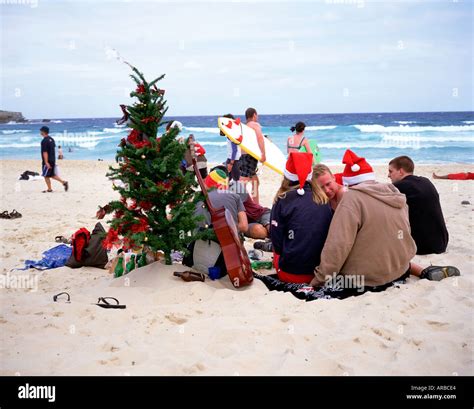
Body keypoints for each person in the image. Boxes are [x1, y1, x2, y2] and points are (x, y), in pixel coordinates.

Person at [311, 150, 458, 292]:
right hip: (397, 262)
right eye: (321, 187)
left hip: (367, 270)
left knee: (345, 252)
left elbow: (339, 243)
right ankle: (424, 272)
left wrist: (320, 279)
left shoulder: (349, 197)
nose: (327, 190)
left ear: (335, 178)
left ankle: (423, 271)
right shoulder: (389, 192)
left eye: (328, 184)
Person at [270, 152, 333, 284]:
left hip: (292, 273)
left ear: (287, 176)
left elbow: (277, 243)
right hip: (320, 272)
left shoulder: (282, 200)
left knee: (277, 251)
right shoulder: (324, 199)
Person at [388, 156, 449, 255]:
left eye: (391, 171)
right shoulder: (426, 181)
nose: (388, 175)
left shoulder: (400, 187)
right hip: (441, 242)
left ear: (401, 171)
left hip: (422, 246)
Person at [240, 108, 266, 204]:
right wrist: (263, 154)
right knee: (242, 183)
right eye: (257, 115)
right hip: (250, 157)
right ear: (254, 115)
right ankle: (235, 203)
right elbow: (260, 138)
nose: (257, 117)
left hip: (243, 156)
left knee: (255, 182)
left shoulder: (244, 126)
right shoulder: (255, 125)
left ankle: (256, 205)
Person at [39, 126, 68, 193]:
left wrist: (46, 162)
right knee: (51, 175)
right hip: (52, 159)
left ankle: (49, 189)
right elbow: (52, 150)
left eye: (41, 131)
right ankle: (64, 182)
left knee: (46, 175)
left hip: (47, 161)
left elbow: (45, 152)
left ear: (43, 132)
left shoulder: (44, 141)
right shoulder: (51, 139)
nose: (40, 132)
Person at [222, 113, 242, 182]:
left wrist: (231, 163)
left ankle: (242, 192)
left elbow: (235, 150)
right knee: (227, 179)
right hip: (233, 159)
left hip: (234, 160)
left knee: (237, 180)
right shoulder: (233, 132)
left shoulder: (232, 134)